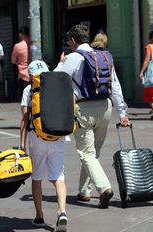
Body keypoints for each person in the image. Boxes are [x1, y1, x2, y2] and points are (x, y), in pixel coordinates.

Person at [54, 24, 130, 208]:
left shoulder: (73, 57)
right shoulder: (104, 56)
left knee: (86, 153)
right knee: (93, 153)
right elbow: (116, 85)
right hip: (105, 107)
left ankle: (104, 188)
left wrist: (60, 63)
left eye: (69, 41)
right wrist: (122, 112)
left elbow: (57, 80)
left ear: (73, 40)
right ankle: (84, 191)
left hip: (83, 109)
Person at [19, 60, 68, 232]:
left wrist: (22, 144)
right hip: (59, 137)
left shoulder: (29, 89)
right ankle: (62, 211)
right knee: (58, 177)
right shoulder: (57, 85)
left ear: (31, 76)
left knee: (37, 178)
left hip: (37, 137)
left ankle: (39, 216)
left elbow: (25, 119)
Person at [11, 26, 31, 100]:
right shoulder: (34, 43)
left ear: (20, 34)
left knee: (25, 99)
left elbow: (13, 61)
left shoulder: (18, 46)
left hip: (23, 75)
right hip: (35, 73)